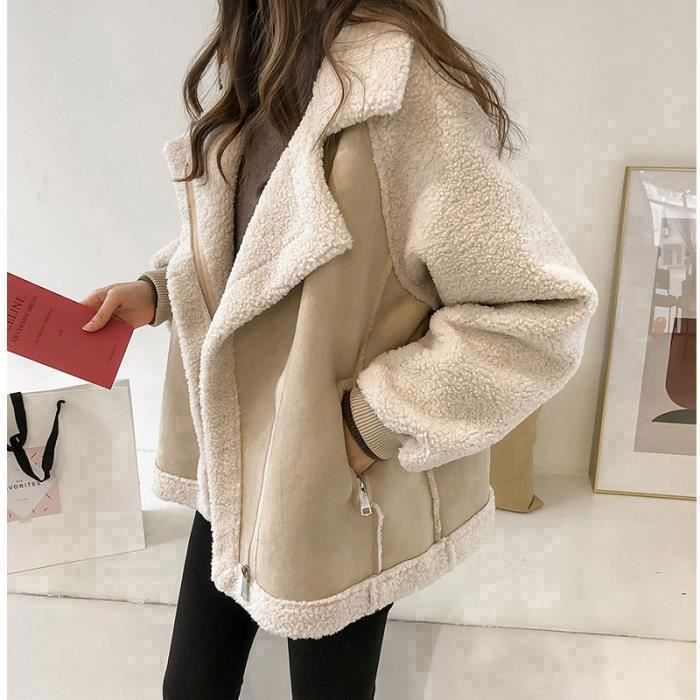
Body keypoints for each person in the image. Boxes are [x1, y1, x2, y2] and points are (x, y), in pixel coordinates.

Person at [80, 1, 599, 698]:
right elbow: (265, 242)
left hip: (330, 480)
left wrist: (370, 424)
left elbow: (541, 310)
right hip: (236, 461)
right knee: (192, 685)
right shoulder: (267, 60)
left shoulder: (402, 91)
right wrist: (158, 291)